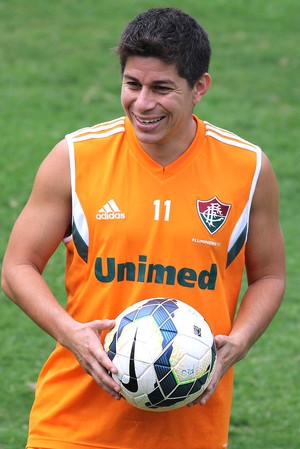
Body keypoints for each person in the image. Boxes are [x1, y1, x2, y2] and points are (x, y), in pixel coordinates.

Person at [1, 7, 285, 449]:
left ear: (200, 88)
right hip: (72, 427)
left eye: (162, 88)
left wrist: (241, 340)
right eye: (132, 84)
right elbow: (17, 267)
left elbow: (269, 275)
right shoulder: (75, 159)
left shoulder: (247, 169)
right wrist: (69, 333)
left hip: (192, 430)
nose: (143, 103)